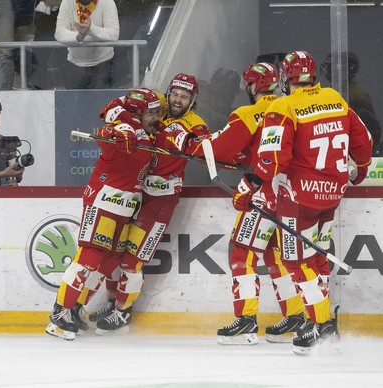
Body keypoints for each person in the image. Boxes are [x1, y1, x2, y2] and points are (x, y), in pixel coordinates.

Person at [231, 51, 372, 355]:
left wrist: (248, 187)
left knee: (296, 261)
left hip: (299, 198)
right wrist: (359, 170)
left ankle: (322, 324)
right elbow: (364, 141)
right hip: (332, 196)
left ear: (284, 78)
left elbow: (270, 159)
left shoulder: (284, 106)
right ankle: (316, 319)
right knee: (318, 258)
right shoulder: (335, 98)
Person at [75, 73, 210, 335]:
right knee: (112, 255)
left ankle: (123, 314)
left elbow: (209, 149)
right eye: (175, 94)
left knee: (132, 261)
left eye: (185, 96)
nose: (178, 100)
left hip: (159, 202)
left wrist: (199, 147)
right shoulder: (154, 103)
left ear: (193, 101)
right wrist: (125, 124)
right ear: (168, 92)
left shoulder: (196, 125)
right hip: (134, 194)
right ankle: (109, 304)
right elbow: (111, 108)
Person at [195, 63, 306, 345]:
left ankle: (246, 320)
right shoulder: (288, 106)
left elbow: (219, 149)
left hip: (264, 193)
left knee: (241, 254)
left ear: (253, 86)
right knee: (273, 254)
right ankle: (295, 316)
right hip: (289, 193)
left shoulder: (250, 113)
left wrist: (198, 143)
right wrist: (246, 155)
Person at [45, 88, 162, 340]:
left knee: (109, 262)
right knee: (88, 258)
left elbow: (115, 105)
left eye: (156, 112)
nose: (156, 118)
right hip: (104, 202)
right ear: (137, 113)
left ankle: (75, 308)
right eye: (150, 113)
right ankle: (59, 312)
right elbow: (106, 134)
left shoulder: (141, 130)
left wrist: (126, 123)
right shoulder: (122, 129)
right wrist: (117, 129)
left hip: (126, 208)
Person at [320, 52, 382, 156]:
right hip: (339, 154)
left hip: (344, 155)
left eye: (329, 67)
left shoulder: (359, 96)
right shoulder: (360, 94)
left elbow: (371, 130)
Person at [54, 0, 119, 89]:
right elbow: (59, 33)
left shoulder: (107, 2)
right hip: (74, 65)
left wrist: (91, 29)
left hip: (103, 64)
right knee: (74, 102)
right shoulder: (67, 2)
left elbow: (114, 33)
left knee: (104, 102)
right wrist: (79, 36)